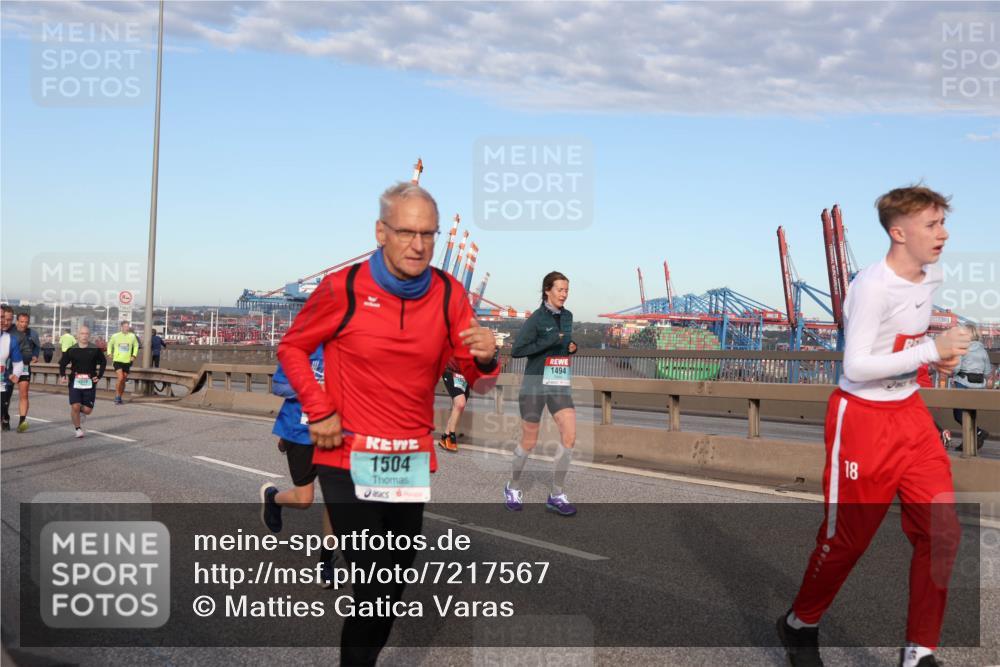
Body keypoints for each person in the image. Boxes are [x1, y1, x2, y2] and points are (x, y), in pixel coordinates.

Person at [277, 181, 499, 666]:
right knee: (374, 580)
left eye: (428, 234)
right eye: (405, 232)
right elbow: (292, 348)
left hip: (406, 462)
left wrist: (487, 358)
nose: (418, 245)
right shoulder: (344, 289)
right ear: (381, 231)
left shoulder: (448, 294)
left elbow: (476, 380)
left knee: (388, 592)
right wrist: (319, 408)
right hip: (346, 453)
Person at [777, 185, 969, 667]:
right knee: (847, 543)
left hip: (911, 417)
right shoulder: (870, 286)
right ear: (898, 232)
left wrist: (933, 366)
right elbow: (858, 365)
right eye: (932, 224)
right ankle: (800, 623)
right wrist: (931, 350)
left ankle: (919, 651)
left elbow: (901, 342)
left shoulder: (931, 276)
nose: (943, 233)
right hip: (861, 420)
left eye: (943, 222)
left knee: (942, 533)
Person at [260, 345, 338, 587]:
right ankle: (274, 499)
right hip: (299, 432)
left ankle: (326, 563)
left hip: (336, 433)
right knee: (304, 500)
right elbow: (280, 386)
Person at [505, 271, 579, 516]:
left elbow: (562, 345)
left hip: (558, 384)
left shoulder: (568, 316)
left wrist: (571, 347)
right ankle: (513, 486)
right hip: (534, 385)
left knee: (569, 436)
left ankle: (556, 494)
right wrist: (548, 342)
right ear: (548, 290)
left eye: (566, 290)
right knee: (529, 441)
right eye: (560, 289)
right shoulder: (536, 319)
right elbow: (517, 350)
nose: (564, 294)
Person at [58, 325, 106, 438]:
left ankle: (81, 413)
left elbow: (103, 362)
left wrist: (99, 376)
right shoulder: (72, 349)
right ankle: (78, 429)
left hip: (90, 382)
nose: (84, 336)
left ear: (89, 336)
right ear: (77, 335)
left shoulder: (95, 349)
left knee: (88, 410)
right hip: (75, 381)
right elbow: (62, 363)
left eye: (86, 334)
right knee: (75, 405)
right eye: (82, 334)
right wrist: (62, 375)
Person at [950, 322, 992, 450]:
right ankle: (969, 443)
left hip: (963, 383)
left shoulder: (962, 349)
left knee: (958, 414)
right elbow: (987, 371)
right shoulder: (983, 351)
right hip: (978, 386)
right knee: (971, 414)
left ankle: (978, 432)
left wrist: (952, 375)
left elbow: (956, 368)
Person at [12, 312, 41, 432]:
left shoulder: (32, 333)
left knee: (24, 394)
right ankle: (5, 417)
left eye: (26, 322)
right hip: (9, 367)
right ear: (17, 321)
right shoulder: (9, 332)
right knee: (4, 395)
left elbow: (37, 347)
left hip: (24, 367)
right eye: (21, 321)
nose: (24, 324)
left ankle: (22, 422)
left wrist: (34, 355)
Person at [1, 305, 25, 432]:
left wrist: (15, 373)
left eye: (5, 318)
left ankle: (4, 415)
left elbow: (20, 361)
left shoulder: (15, 337)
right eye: (2, 318)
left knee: (4, 402)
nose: (4, 321)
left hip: (5, 379)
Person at [438, 360, 469, 452]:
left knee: (459, 407)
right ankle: (451, 436)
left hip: (465, 374)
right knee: (460, 402)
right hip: (450, 370)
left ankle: (445, 436)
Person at [106, 321, 139, 405]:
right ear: (121, 327)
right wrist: (109, 353)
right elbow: (110, 344)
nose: (126, 328)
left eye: (127, 326)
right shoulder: (115, 336)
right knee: (120, 378)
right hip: (117, 360)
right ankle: (117, 396)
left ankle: (120, 397)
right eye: (125, 326)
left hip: (127, 361)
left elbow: (136, 345)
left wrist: (134, 356)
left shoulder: (132, 336)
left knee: (123, 380)